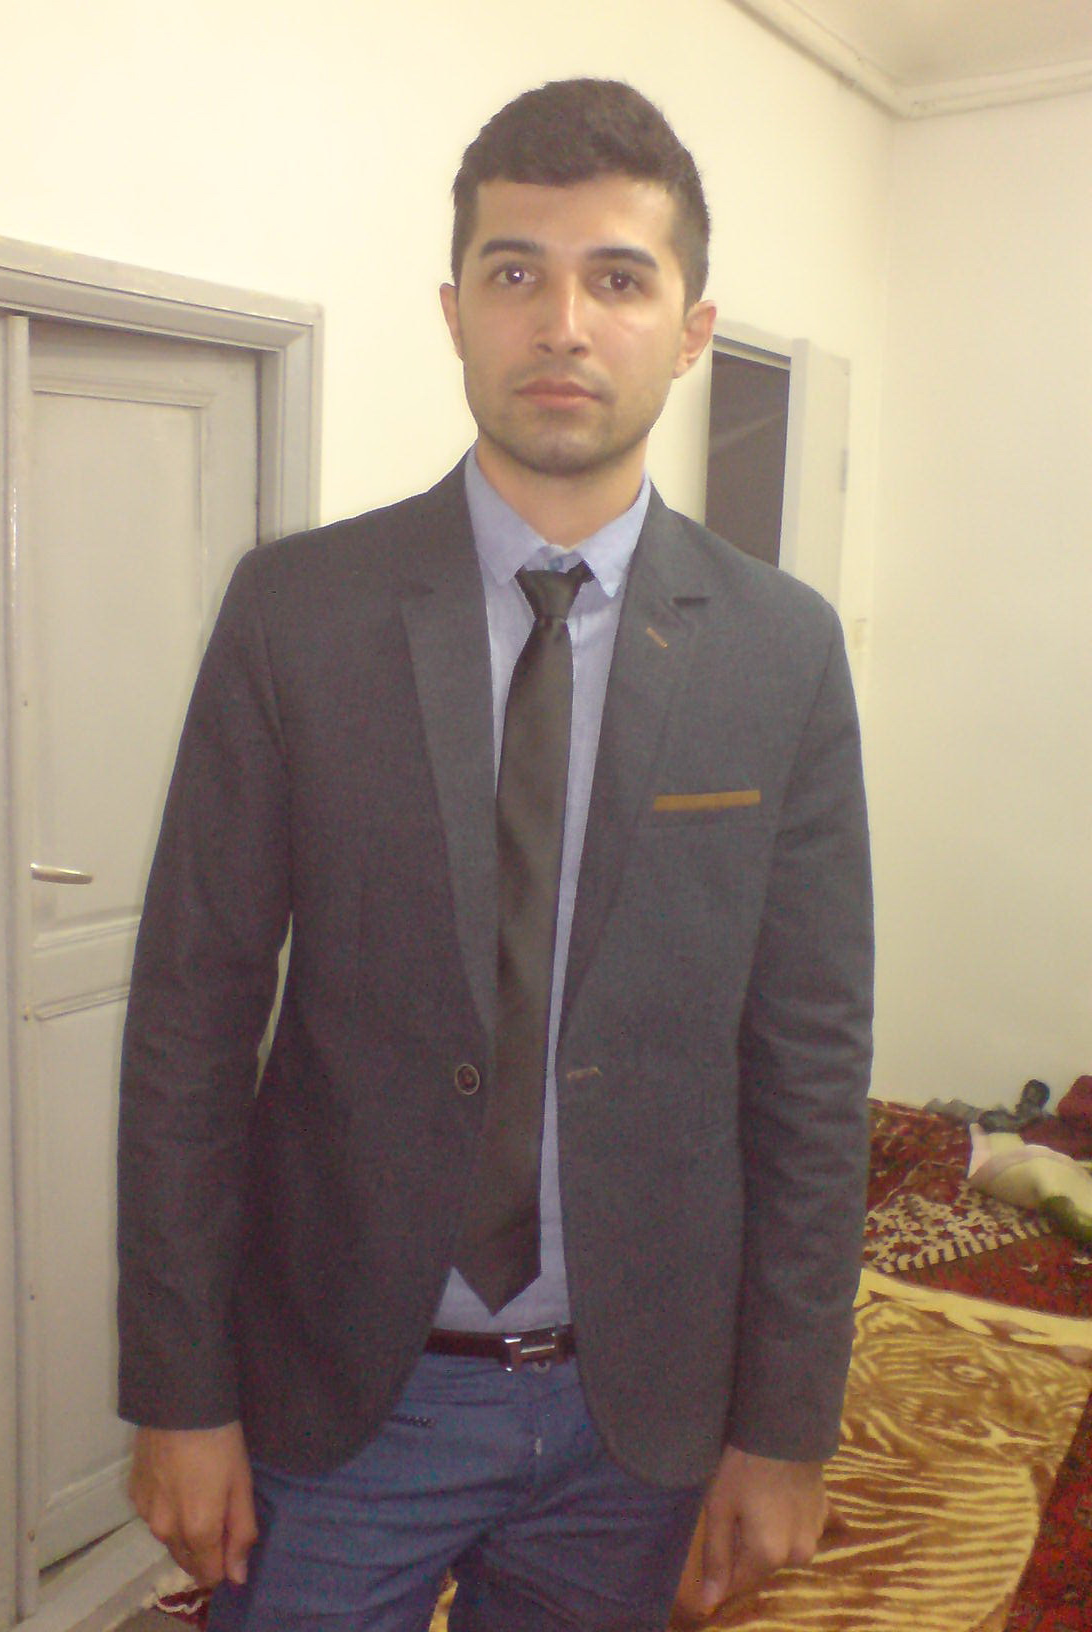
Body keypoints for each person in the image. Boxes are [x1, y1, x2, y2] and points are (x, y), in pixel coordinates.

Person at [118, 77, 874, 1632]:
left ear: (691, 327)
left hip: (638, 1414)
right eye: (517, 271)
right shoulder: (299, 612)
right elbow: (190, 1018)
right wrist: (180, 1391)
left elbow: (808, 1066)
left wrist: (786, 1425)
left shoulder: (781, 649)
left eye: (620, 279)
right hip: (343, 1393)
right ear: (454, 309)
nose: (564, 324)